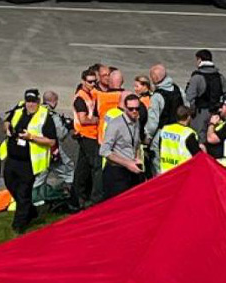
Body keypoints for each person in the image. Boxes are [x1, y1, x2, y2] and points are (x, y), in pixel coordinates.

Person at [1, 89, 56, 233]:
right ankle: (31, 211)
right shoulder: (19, 109)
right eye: (28, 101)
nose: (30, 105)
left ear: (38, 102)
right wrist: (7, 128)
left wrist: (31, 137)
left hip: (28, 163)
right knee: (10, 185)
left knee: (23, 193)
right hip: (12, 159)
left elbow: (51, 141)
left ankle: (18, 226)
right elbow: (6, 121)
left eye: (33, 102)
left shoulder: (45, 116)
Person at [99, 93, 144, 199]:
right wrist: (128, 163)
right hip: (116, 172)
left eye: (137, 109)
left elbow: (136, 143)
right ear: (124, 108)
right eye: (131, 109)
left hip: (131, 170)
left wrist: (137, 158)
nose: (134, 111)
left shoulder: (136, 121)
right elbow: (104, 150)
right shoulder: (115, 124)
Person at [143, 65, 183, 176]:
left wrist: (148, 137)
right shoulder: (178, 89)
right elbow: (185, 107)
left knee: (158, 164)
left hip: (162, 133)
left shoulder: (157, 96)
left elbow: (153, 121)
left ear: (155, 78)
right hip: (179, 132)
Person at [35, 91, 74, 203]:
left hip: (36, 151)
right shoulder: (53, 115)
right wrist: (67, 126)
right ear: (55, 101)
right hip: (52, 150)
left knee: (39, 177)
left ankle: (36, 202)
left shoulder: (37, 112)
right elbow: (60, 135)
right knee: (69, 169)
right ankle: (68, 195)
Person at [71, 68, 102, 208]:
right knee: (96, 166)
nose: (93, 84)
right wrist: (97, 120)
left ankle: (78, 198)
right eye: (90, 82)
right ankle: (93, 198)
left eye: (95, 81)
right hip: (87, 135)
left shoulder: (89, 94)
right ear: (83, 81)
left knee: (82, 169)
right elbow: (83, 120)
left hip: (89, 135)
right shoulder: (80, 98)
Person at [185, 49, 226, 129]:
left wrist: (192, 109)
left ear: (199, 60)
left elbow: (189, 96)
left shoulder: (197, 77)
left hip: (200, 113)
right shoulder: (219, 76)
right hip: (215, 113)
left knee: (200, 136)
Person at [157, 105, 200, 174]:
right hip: (182, 174)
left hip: (166, 173)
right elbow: (198, 156)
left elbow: (160, 148)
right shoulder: (188, 133)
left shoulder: (165, 129)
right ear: (188, 117)